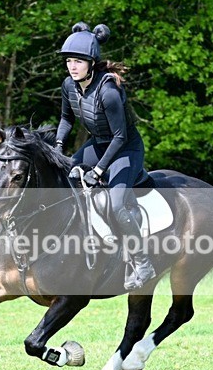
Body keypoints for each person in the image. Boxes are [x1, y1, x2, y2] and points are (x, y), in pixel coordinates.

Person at [55, 21, 156, 291]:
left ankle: (143, 261)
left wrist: (98, 171)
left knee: (116, 205)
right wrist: (57, 148)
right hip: (99, 144)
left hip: (125, 149)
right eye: (69, 61)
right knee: (61, 180)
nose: (72, 66)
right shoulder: (69, 85)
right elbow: (66, 120)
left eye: (78, 61)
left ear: (91, 62)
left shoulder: (109, 91)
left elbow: (120, 137)